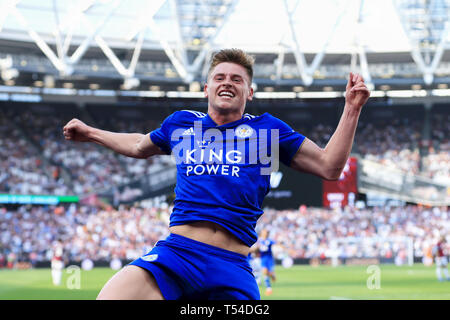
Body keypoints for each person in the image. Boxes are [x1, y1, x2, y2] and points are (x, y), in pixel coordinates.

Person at [63, 48, 370, 300]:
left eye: (237, 79)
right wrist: (91, 133)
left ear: (249, 91)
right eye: (219, 77)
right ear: (206, 87)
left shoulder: (268, 129)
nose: (228, 82)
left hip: (231, 267)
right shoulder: (181, 124)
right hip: (176, 256)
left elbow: (330, 166)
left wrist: (352, 108)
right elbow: (140, 144)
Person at [257, 229, 276, 295]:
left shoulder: (269, 241)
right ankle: (268, 288)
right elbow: (256, 248)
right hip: (263, 259)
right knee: (265, 272)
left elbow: (276, 244)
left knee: (269, 272)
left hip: (269, 259)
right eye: (264, 232)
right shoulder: (259, 241)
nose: (265, 234)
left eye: (266, 233)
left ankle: (272, 275)